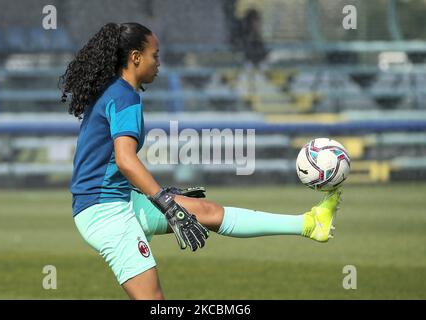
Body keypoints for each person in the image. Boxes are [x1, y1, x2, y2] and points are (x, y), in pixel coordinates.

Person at [59, 22, 342, 300]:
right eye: (155, 55)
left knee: (206, 211)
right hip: (105, 213)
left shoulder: (117, 91)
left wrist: (157, 197)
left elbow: (105, 164)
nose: (159, 62)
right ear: (135, 57)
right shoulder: (124, 97)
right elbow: (124, 160)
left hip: (116, 201)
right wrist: (163, 200)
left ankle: (309, 224)